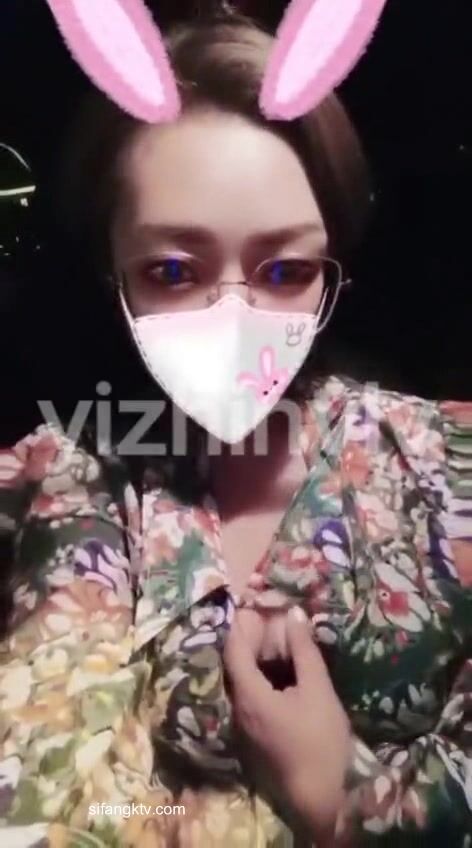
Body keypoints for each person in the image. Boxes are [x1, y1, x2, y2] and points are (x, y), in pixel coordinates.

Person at [0, 9, 471, 847]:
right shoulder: (84, 472)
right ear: (113, 273)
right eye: (172, 270)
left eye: (285, 269)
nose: (235, 319)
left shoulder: (445, 466)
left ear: (333, 271)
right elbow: (52, 791)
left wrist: (343, 798)